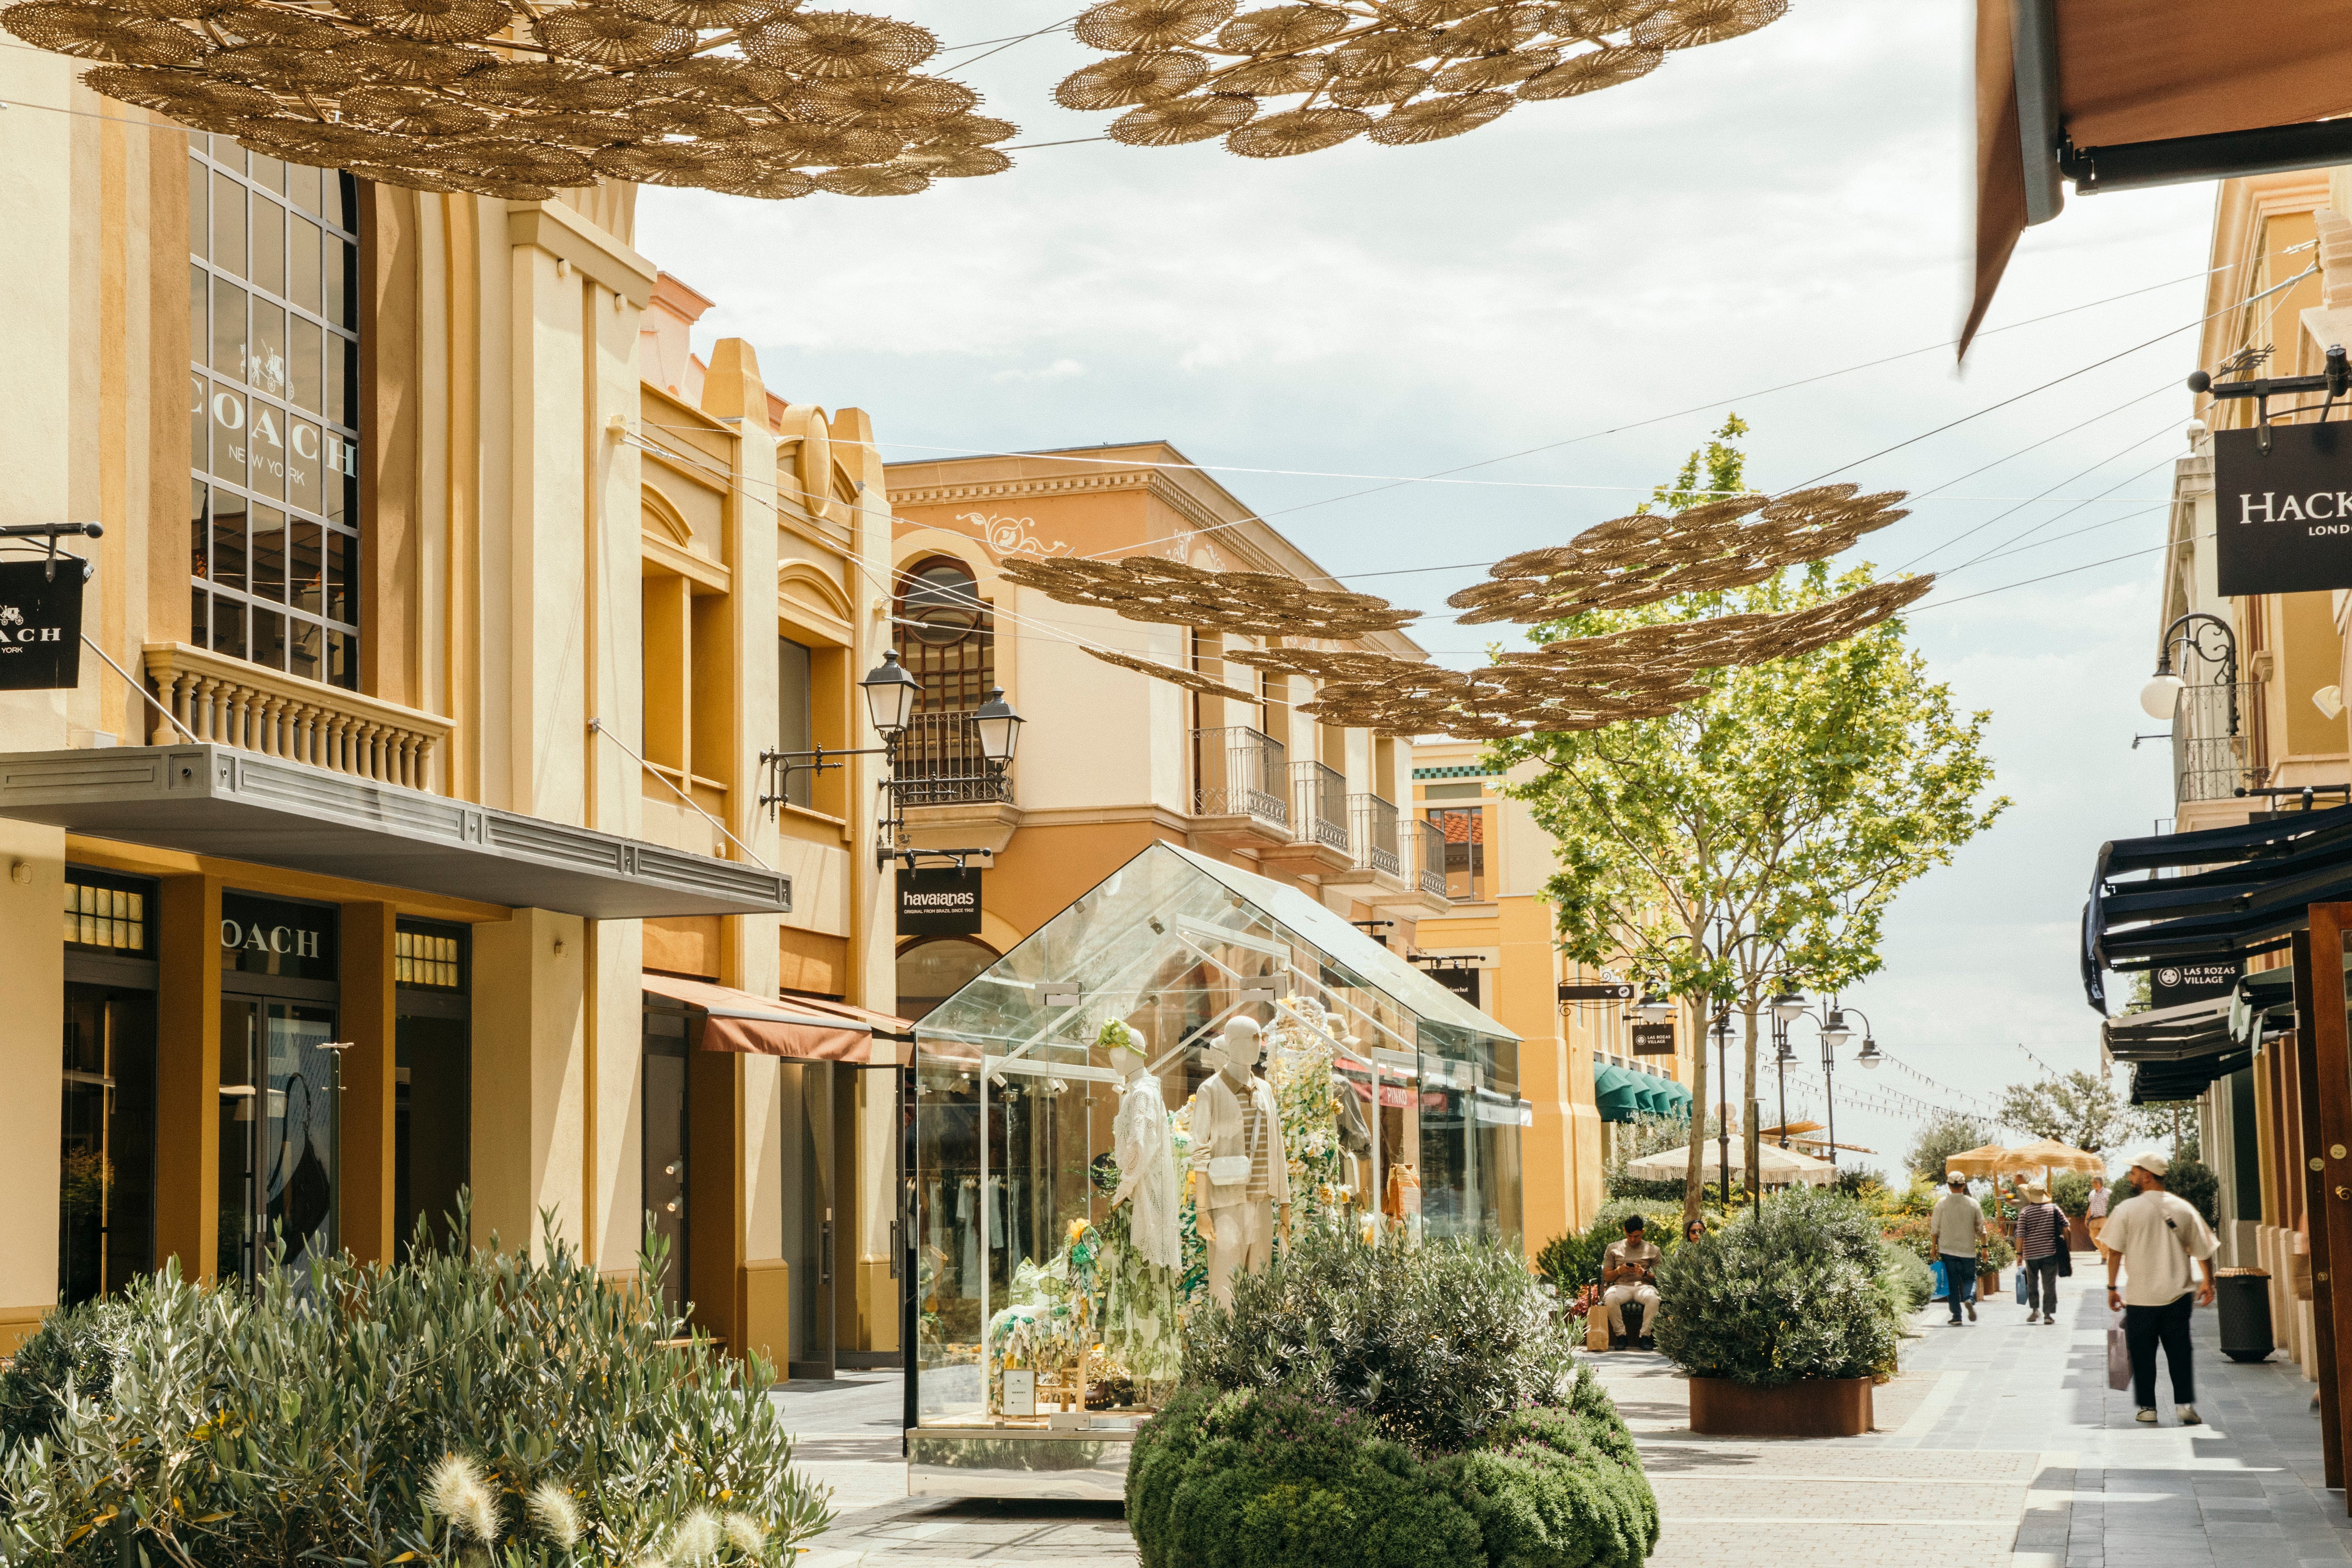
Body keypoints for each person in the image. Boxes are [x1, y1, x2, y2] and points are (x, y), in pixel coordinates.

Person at [2104, 1150, 2218, 1426]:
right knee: (2179, 1350)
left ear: (2146, 1176)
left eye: (2133, 1173)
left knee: (2142, 1353)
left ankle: (2148, 1408)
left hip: (2141, 1297)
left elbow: (2115, 1252)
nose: (2131, 1177)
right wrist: (2208, 1281)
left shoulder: (2126, 1210)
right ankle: (2184, 1406)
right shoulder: (2184, 1208)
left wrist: (2112, 1287)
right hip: (2178, 1294)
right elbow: (2204, 1250)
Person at [1601, 1214, 1663, 1349]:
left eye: (1637, 1236)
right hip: (1621, 1286)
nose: (1633, 1240)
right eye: (1630, 1236)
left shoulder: (1654, 1250)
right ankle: (1621, 1336)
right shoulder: (1613, 1248)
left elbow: (1659, 1278)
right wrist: (1619, 1271)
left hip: (1644, 1286)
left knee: (1653, 1299)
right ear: (1625, 1231)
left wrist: (1644, 1273)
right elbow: (1607, 1277)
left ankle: (1645, 1337)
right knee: (1610, 1298)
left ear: (1643, 1232)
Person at [1933, 1170, 1985, 1325]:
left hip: (1947, 1249)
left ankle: (1957, 1316)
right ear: (1964, 1185)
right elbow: (1981, 1229)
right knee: (1970, 1278)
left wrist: (1933, 1247)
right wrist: (1985, 1247)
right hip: (1968, 1249)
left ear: (1949, 1186)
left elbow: (1935, 1228)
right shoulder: (1973, 1203)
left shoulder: (1941, 1203)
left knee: (1952, 1283)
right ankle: (1969, 1299)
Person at [2014, 1181, 2066, 1324]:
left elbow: (2020, 1236)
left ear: (2030, 1196)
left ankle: (2035, 1310)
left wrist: (2019, 1254)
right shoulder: (2054, 1209)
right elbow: (2067, 1227)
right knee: (2049, 1284)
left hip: (2031, 1255)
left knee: (2032, 1283)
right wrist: (2066, 1246)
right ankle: (2048, 1315)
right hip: (2050, 1253)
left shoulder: (2025, 1212)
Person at [2087, 1178, 2109, 1258]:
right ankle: (2105, 1252)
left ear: (2100, 1183)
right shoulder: (2092, 1193)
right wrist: (2087, 1218)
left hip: (2105, 1218)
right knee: (2094, 1238)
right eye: (2093, 1182)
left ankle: (2104, 1257)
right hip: (2094, 1219)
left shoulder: (2108, 1192)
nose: (2093, 1184)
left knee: (2105, 1238)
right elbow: (2090, 1206)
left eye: (2095, 1183)